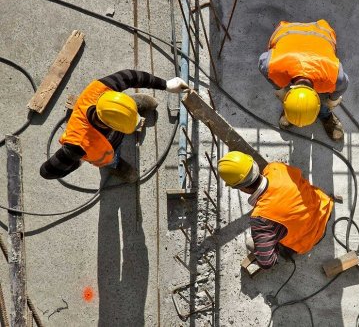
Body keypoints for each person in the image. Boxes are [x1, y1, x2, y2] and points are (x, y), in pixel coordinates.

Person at [40, 70, 189, 182]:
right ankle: (114, 165)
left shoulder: (101, 88)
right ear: (111, 125)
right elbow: (46, 172)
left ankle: (130, 105)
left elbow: (131, 76)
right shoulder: (78, 145)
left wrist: (165, 84)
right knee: (111, 158)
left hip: (114, 110)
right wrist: (80, 160)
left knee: (126, 108)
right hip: (106, 150)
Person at [218, 151, 333, 269]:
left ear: (241, 188)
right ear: (255, 165)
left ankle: (285, 250)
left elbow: (267, 263)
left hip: (310, 238)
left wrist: (269, 244)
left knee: (250, 243)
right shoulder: (275, 168)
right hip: (323, 208)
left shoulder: (261, 219)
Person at [258, 19, 350, 141]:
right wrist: (280, 90)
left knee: (328, 103)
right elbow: (263, 62)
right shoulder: (270, 66)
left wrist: (330, 103)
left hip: (320, 31)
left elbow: (343, 86)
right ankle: (294, 110)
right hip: (287, 30)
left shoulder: (334, 77)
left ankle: (324, 113)